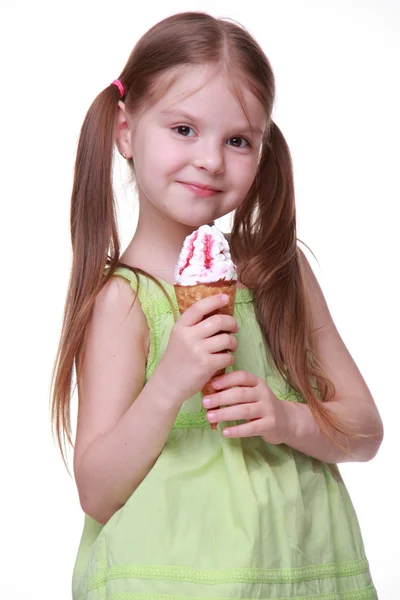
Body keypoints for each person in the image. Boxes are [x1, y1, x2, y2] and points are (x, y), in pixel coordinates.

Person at [51, 11, 384, 600]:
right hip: (172, 581)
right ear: (127, 131)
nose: (210, 159)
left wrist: (288, 419)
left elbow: (365, 430)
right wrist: (170, 381)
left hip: (298, 573)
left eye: (237, 140)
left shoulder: (282, 275)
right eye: (183, 129)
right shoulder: (124, 302)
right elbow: (96, 493)